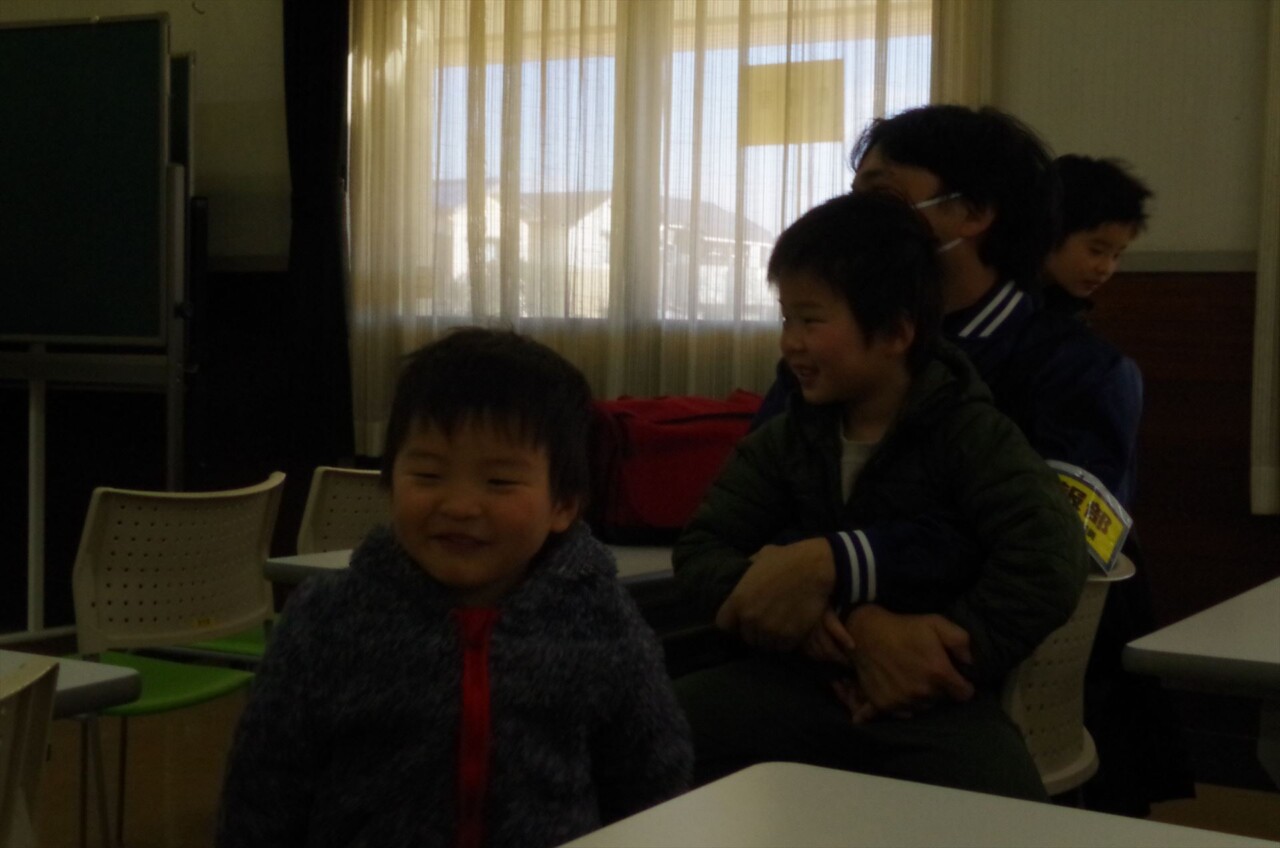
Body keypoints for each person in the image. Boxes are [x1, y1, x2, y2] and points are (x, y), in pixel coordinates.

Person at [742, 104, 1190, 815]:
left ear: (973, 213)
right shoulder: (831, 352)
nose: (856, 222)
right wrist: (856, 622)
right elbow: (762, 502)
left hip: (995, 675)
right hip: (826, 659)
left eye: (882, 198)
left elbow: (1061, 544)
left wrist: (849, 573)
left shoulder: (1081, 370)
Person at [674, 191, 1088, 800]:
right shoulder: (789, 437)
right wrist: (812, 619)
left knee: (1005, 799)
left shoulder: (972, 434)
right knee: (654, 732)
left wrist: (940, 652)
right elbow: (703, 548)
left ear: (895, 331)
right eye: (786, 319)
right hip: (796, 678)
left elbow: (1049, 557)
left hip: (928, 700)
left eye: (811, 320)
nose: (790, 343)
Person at [217, 328, 692, 847]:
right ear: (389, 481)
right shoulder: (327, 620)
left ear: (563, 505)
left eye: (499, 482)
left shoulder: (601, 620)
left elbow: (653, 782)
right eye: (428, 474)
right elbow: (262, 792)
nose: (460, 506)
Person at [1042, 154, 1153, 318]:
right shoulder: (1015, 306)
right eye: (1096, 251)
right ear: (1050, 233)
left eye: (1116, 255)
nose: (1106, 269)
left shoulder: (1067, 307)